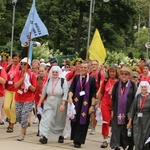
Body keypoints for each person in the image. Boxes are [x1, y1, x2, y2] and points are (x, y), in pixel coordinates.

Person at [68, 62, 96, 148]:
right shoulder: (76, 77)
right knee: (74, 120)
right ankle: (75, 138)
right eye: (82, 67)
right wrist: (69, 97)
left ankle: (79, 141)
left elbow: (93, 93)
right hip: (76, 102)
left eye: (85, 67)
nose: (83, 69)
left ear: (88, 69)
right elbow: (72, 88)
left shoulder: (91, 79)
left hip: (86, 104)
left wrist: (92, 106)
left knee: (83, 121)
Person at [38, 66, 68, 144]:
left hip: (59, 101)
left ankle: (60, 135)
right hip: (49, 102)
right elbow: (44, 92)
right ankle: (44, 136)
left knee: (59, 120)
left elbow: (65, 94)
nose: (54, 74)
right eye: (53, 72)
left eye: (56, 72)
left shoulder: (63, 81)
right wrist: (39, 103)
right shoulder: (49, 80)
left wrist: (63, 104)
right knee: (46, 118)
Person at [110, 66, 137, 150]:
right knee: (116, 129)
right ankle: (116, 145)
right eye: (122, 74)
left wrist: (132, 113)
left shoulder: (132, 85)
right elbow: (113, 98)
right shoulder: (117, 84)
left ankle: (130, 145)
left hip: (128, 111)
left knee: (128, 129)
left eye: (126, 74)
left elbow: (135, 99)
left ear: (129, 75)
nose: (124, 75)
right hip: (117, 110)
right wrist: (112, 110)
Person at [14, 57, 37, 141]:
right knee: (18, 116)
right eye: (22, 64)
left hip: (28, 99)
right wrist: (23, 79)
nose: (23, 65)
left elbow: (34, 89)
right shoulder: (18, 73)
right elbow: (16, 85)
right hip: (18, 97)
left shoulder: (32, 75)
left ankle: (22, 133)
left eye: (25, 64)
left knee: (24, 116)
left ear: (29, 66)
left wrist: (28, 83)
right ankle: (24, 127)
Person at [127, 81, 150, 150]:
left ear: (147, 88)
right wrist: (129, 122)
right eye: (142, 87)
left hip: (147, 120)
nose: (143, 89)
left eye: (145, 87)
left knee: (145, 135)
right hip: (137, 120)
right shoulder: (137, 97)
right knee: (136, 135)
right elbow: (132, 110)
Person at [100, 65, 119, 148]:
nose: (112, 73)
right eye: (110, 71)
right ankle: (105, 140)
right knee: (105, 121)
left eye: (113, 71)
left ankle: (113, 138)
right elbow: (101, 92)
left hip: (115, 105)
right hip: (105, 103)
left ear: (116, 72)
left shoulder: (119, 81)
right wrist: (98, 103)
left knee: (114, 122)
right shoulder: (106, 80)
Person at [4, 52, 21, 133]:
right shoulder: (9, 67)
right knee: (6, 107)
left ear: (19, 59)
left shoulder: (21, 67)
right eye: (14, 58)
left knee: (13, 107)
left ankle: (11, 124)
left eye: (16, 58)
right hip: (8, 89)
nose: (15, 60)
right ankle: (12, 118)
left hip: (16, 90)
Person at [89, 60, 105, 135]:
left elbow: (101, 85)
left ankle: (93, 127)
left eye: (95, 64)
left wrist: (97, 94)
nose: (93, 66)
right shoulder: (90, 74)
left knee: (93, 112)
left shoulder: (100, 74)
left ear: (98, 65)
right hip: (89, 94)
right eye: (92, 64)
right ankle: (90, 124)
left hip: (96, 95)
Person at [34, 64, 48, 136]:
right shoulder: (37, 78)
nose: (41, 73)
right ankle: (40, 128)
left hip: (45, 100)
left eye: (42, 71)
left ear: (46, 71)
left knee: (44, 116)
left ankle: (43, 130)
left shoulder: (49, 79)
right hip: (37, 100)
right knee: (39, 115)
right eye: (40, 71)